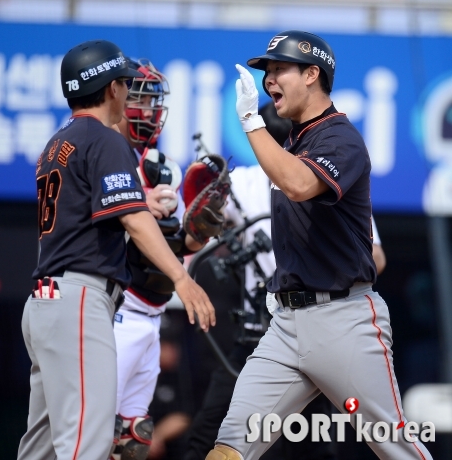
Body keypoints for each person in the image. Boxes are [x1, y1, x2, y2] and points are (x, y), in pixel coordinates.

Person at [205, 31, 432, 460]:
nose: (268, 80)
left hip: (343, 319)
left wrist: (251, 123)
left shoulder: (340, 137)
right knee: (229, 448)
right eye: (266, 71)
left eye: (278, 69)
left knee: (396, 448)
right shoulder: (296, 139)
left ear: (312, 74)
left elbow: (297, 183)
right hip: (286, 326)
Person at [17, 40, 215, 460]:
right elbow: (135, 220)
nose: (128, 92)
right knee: (87, 443)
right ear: (110, 89)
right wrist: (182, 277)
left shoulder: (57, 143)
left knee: (42, 444)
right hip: (80, 300)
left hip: (45, 299)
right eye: (125, 83)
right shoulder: (105, 140)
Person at [186, 101, 387, 460]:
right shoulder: (245, 181)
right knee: (217, 437)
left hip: (328, 321)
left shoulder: (331, 172)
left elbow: (377, 257)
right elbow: (196, 228)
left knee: (325, 443)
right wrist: (203, 204)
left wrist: (325, 261)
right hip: (262, 329)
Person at [110, 58, 213, 459]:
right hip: (114, 309)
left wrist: (201, 227)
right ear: (116, 97)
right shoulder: (104, 156)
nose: (150, 113)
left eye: (154, 103)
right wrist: (138, 207)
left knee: (134, 438)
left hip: (154, 314)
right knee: (95, 428)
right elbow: (93, 228)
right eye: (140, 101)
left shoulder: (165, 166)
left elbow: (182, 246)